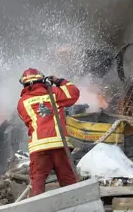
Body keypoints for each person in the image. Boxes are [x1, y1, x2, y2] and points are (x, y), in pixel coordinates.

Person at [17, 68, 80, 196]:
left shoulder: (22, 103)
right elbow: (74, 93)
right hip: (59, 144)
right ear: (42, 80)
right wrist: (59, 81)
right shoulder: (54, 93)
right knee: (68, 182)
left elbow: (26, 120)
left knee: (37, 185)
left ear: (24, 85)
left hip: (39, 147)